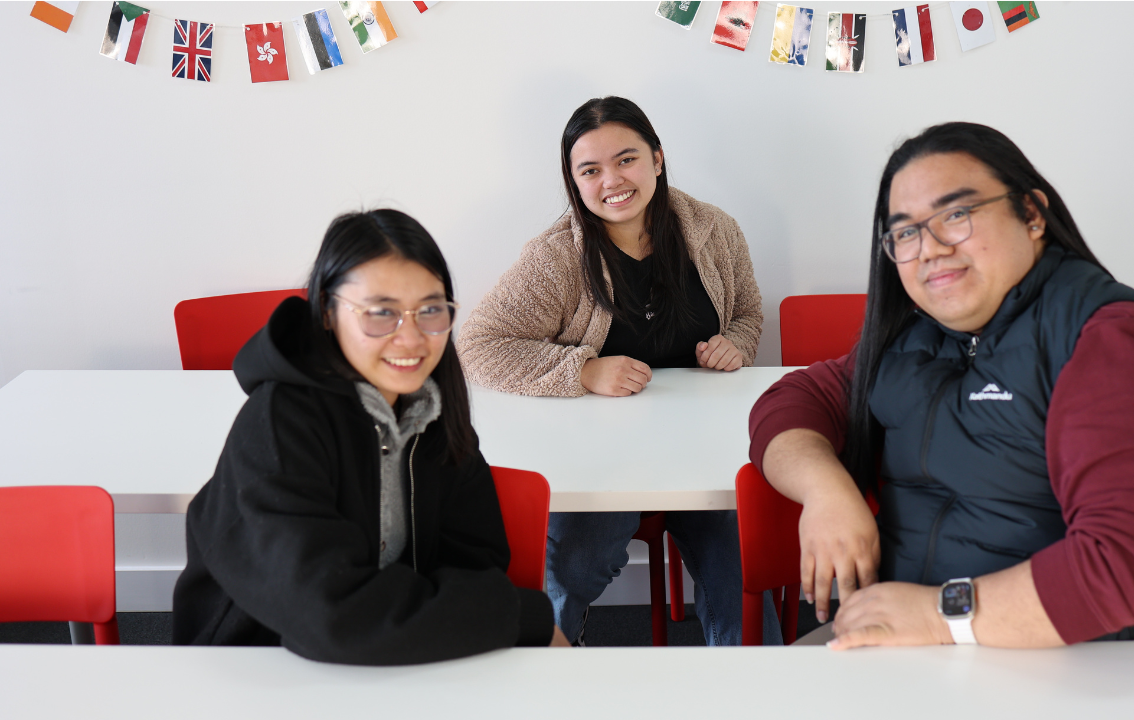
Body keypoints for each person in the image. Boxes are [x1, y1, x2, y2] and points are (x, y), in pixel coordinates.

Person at [749, 122, 1134, 649]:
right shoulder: (915, 340)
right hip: (914, 644)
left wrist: (937, 615)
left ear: (1031, 214)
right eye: (905, 232)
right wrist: (825, 491)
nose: (929, 248)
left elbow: (1131, 565)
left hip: (1084, 661)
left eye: (956, 215)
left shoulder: (1120, 343)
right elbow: (793, 402)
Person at [173, 210, 569, 664]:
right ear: (327, 312)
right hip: (259, 666)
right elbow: (327, 615)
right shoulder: (279, 423)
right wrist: (520, 615)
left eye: (431, 310)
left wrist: (424, 619)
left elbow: (478, 561)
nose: (412, 338)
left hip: (388, 656)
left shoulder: (429, 411)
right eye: (381, 313)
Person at [456, 96, 777, 645]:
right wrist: (582, 370)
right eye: (590, 170)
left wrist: (736, 345)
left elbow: (747, 311)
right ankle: (546, 670)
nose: (612, 181)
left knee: (738, 566)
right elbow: (478, 345)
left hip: (703, 446)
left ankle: (758, 683)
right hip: (600, 455)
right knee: (571, 566)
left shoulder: (714, 230)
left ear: (657, 159)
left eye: (626, 159)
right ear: (574, 181)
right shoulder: (556, 257)